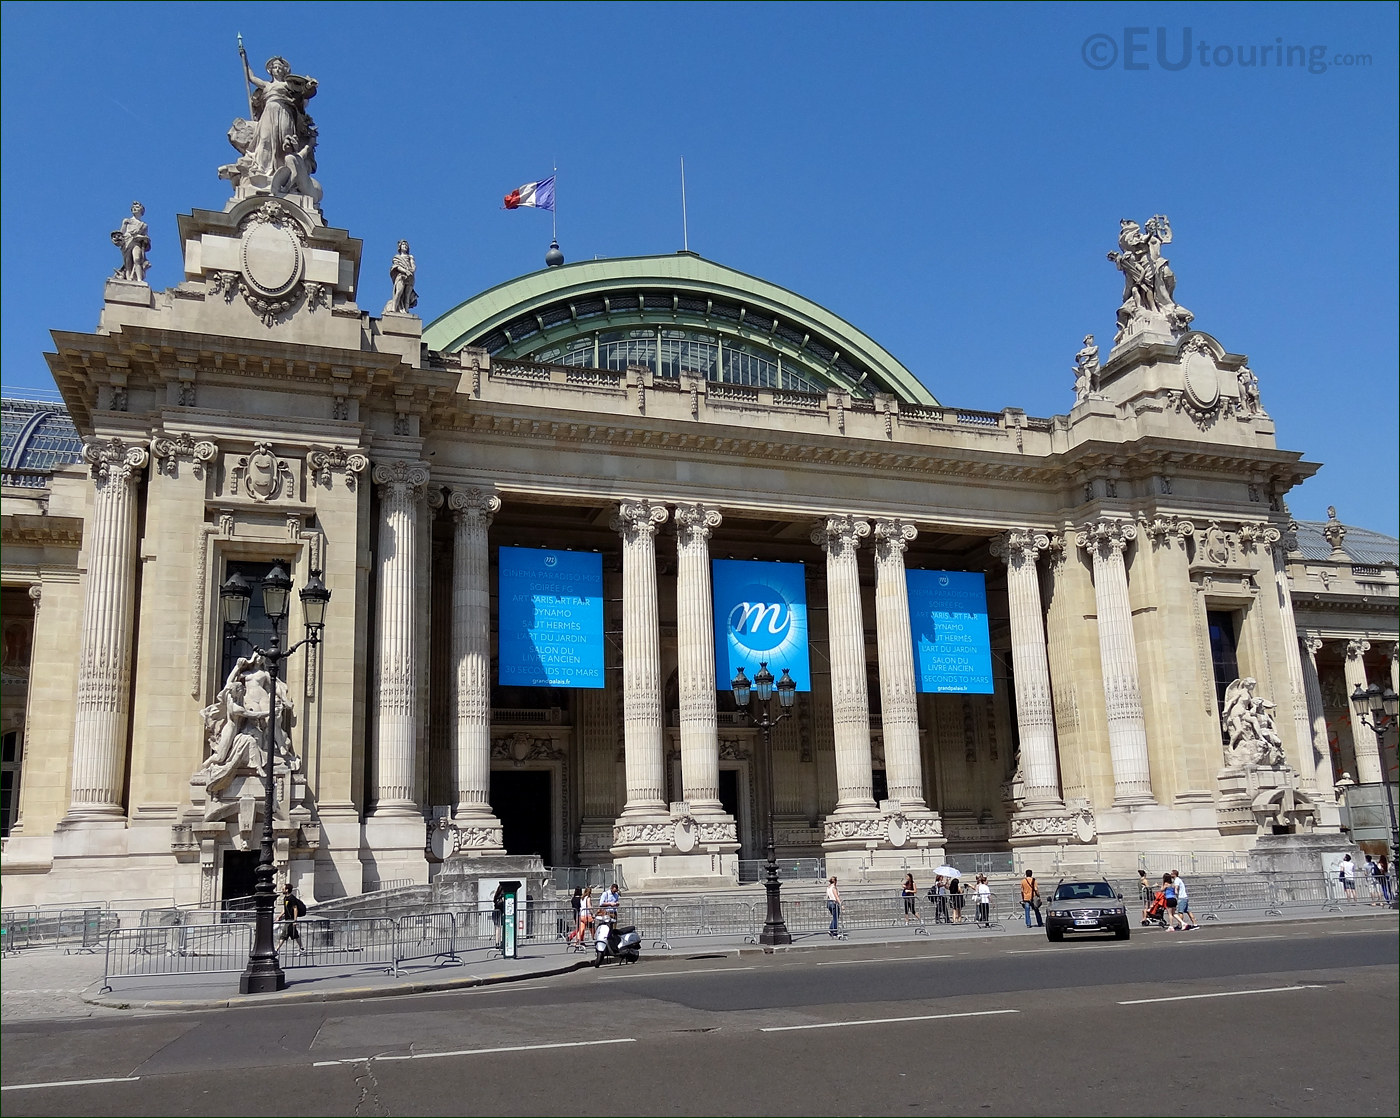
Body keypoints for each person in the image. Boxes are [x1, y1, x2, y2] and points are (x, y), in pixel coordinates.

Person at [110, 201, 151, 283]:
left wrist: (141, 237)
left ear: (141, 210)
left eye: (137, 207)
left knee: (137, 259)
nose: (134, 209)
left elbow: (147, 238)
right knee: (128, 263)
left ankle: (139, 279)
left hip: (137, 243)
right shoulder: (127, 221)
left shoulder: (143, 225)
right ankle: (129, 279)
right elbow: (122, 233)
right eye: (133, 208)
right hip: (127, 242)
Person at [385, 240, 418, 315]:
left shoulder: (410, 257)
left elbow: (413, 266)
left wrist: (411, 270)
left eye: (406, 245)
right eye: (403, 245)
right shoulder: (397, 257)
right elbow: (396, 266)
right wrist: (405, 271)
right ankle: (393, 308)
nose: (405, 246)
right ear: (400, 247)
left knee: (407, 295)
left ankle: (406, 311)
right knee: (399, 291)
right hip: (401, 276)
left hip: (410, 277)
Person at [277, 884, 306, 952]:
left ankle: (276, 949)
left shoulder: (291, 898)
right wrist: (279, 916)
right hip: (287, 919)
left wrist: (295, 920)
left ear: (287, 890)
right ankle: (302, 948)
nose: (282, 890)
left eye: (283, 889)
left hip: (290, 920)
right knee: (295, 935)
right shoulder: (285, 898)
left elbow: (295, 909)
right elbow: (285, 909)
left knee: (283, 935)